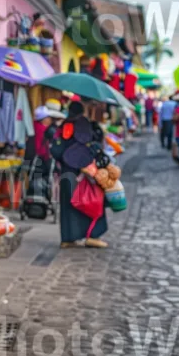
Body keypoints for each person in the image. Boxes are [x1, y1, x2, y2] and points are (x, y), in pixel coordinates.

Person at [50, 101, 108, 249]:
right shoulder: (84, 124)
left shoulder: (64, 125)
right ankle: (92, 236)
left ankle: (67, 238)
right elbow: (90, 143)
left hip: (66, 171)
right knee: (92, 200)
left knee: (67, 204)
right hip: (84, 171)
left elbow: (56, 149)